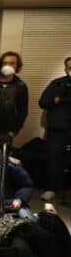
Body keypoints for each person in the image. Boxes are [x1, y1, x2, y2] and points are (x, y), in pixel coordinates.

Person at [38, 56, 71, 201]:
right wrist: (55, 100)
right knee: (54, 160)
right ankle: (51, 188)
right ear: (65, 69)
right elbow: (43, 102)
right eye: (70, 67)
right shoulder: (57, 84)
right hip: (58, 129)